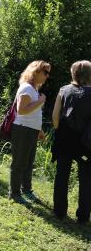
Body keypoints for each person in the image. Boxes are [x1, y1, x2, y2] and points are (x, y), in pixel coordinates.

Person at [51, 60, 91, 224]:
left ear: (73, 74)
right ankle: (83, 217)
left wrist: (59, 130)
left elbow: (55, 116)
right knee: (87, 180)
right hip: (87, 142)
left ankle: (59, 212)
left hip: (65, 139)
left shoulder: (63, 90)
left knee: (61, 175)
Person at [9, 60, 50, 204]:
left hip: (31, 130)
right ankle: (15, 193)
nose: (47, 76)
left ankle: (27, 190)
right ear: (35, 72)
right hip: (22, 130)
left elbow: (33, 113)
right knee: (19, 163)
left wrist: (39, 130)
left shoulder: (34, 89)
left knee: (28, 162)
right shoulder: (26, 88)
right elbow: (22, 110)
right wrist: (41, 100)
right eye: (45, 72)